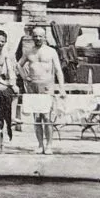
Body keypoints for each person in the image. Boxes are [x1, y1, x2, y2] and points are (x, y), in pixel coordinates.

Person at [18, 26, 66, 155]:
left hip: (47, 86)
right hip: (33, 86)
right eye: (35, 36)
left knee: (46, 116)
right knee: (37, 117)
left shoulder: (51, 51)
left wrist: (62, 89)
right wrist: (24, 76)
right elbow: (18, 65)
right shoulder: (29, 51)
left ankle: (49, 145)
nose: (38, 38)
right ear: (32, 37)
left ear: (44, 37)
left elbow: (58, 70)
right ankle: (40, 145)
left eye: (40, 36)